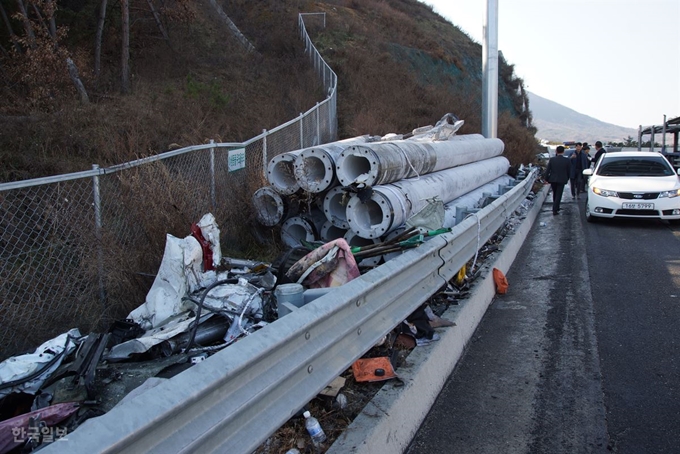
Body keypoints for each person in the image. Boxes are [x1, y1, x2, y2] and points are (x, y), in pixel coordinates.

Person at [544, 145, 571, 215]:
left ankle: (556, 207)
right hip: (562, 179)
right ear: (563, 152)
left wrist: (546, 178)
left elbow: (548, 170)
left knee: (555, 193)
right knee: (559, 194)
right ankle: (555, 209)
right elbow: (569, 171)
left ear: (556, 151)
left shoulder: (552, 160)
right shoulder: (567, 160)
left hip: (553, 179)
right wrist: (567, 178)